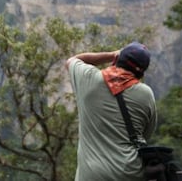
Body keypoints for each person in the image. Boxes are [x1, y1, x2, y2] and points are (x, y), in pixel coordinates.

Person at [65, 42, 157, 181]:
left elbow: (72, 60)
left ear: (116, 60)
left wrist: (111, 54)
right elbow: (146, 134)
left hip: (92, 175)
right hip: (130, 173)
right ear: (141, 73)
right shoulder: (146, 94)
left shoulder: (89, 79)